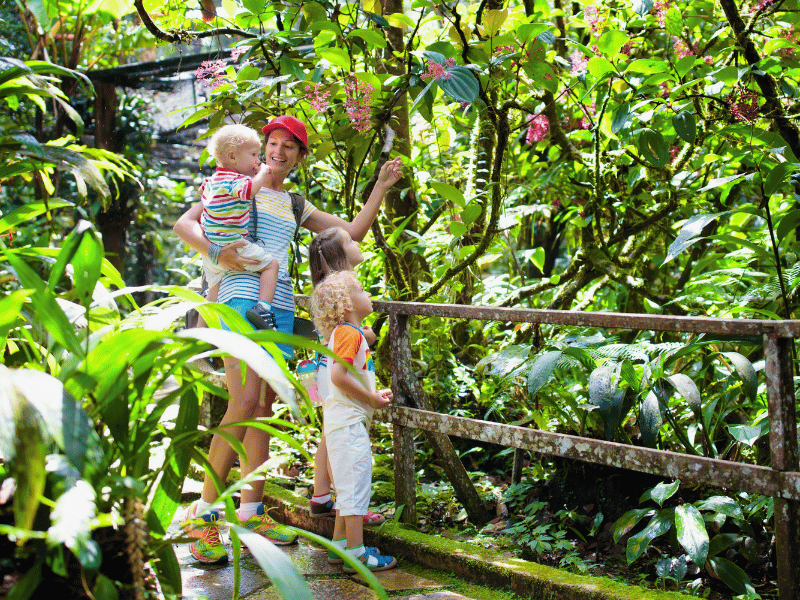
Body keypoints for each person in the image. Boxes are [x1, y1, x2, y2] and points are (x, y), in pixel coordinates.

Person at [173, 114, 403, 564]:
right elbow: (185, 225)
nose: (277, 152)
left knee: (262, 405)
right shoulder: (236, 182)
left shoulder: (295, 204)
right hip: (238, 298)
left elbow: (350, 234)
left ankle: (251, 511)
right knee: (243, 401)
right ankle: (203, 515)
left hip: (276, 306)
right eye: (271, 143)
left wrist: (380, 186)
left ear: (298, 157)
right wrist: (219, 254)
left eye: (288, 147)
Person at [310, 270, 397, 572]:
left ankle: (339, 548)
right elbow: (338, 376)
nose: (368, 294)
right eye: (362, 290)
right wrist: (371, 399)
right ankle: (357, 555)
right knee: (355, 490)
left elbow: (348, 374)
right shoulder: (350, 333)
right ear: (346, 303)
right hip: (347, 426)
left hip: (342, 423)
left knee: (347, 488)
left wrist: (372, 392)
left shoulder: (342, 334)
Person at [306, 228, 385, 526]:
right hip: (331, 371)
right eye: (350, 241)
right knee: (337, 432)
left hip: (320, 369)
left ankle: (323, 495)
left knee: (331, 429)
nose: (357, 241)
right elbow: (344, 336)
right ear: (340, 255)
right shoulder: (340, 290)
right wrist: (367, 333)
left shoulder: (330, 288)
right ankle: (348, 503)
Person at [200, 124, 280, 330]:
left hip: (211, 251)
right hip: (233, 244)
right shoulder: (235, 180)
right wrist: (262, 171)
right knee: (272, 266)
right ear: (232, 157)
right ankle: (263, 307)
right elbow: (251, 190)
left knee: (213, 290)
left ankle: (201, 335)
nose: (257, 159)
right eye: (253, 154)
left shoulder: (210, 181)